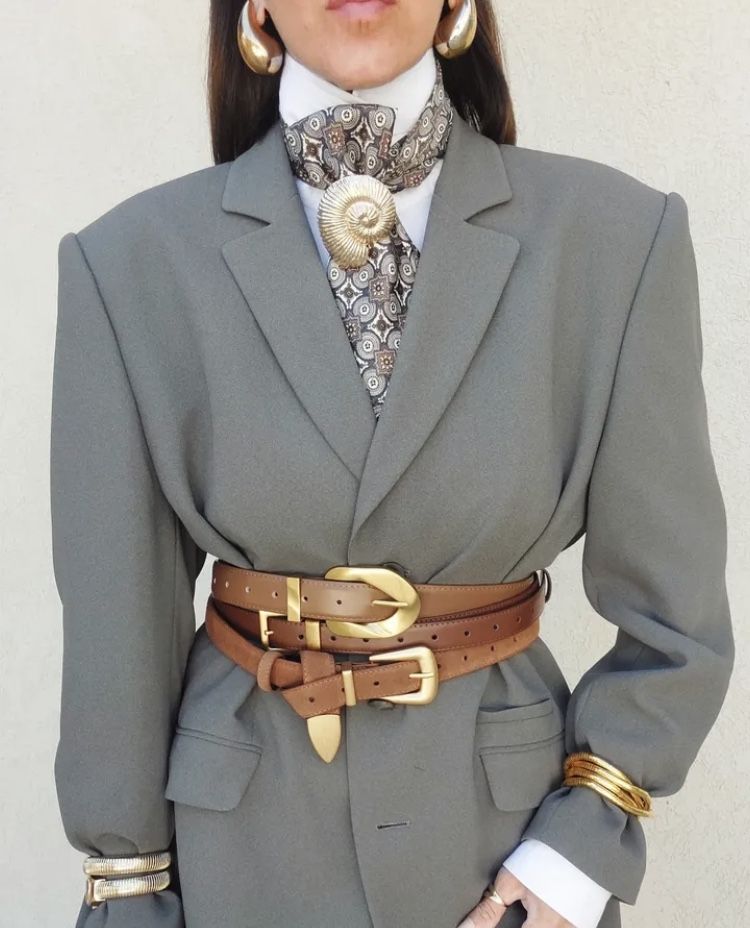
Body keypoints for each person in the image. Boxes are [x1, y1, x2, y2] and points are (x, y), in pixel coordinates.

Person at [49, 1, 734, 927]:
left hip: (505, 854)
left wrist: (572, 863)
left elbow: (677, 629)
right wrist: (129, 894)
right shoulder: (127, 266)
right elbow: (114, 646)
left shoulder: (617, 242)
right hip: (239, 860)